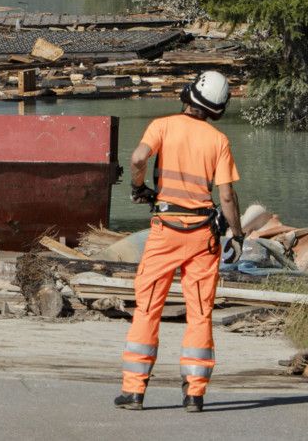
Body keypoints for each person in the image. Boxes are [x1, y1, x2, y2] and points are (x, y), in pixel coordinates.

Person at [116, 69, 244, 412]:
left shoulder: (162, 126)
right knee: (200, 313)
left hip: (164, 232)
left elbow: (138, 158)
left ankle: (133, 392)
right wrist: (238, 234)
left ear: (189, 95)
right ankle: (195, 394)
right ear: (218, 107)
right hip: (203, 236)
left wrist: (138, 187)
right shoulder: (218, 141)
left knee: (147, 308)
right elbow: (228, 198)